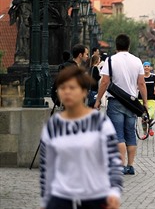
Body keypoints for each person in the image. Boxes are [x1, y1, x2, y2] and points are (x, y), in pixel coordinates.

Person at [40, 66, 123, 209]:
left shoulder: (100, 122)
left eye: (72, 88)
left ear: (84, 92)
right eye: (62, 88)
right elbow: (47, 167)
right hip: (60, 198)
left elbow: (113, 160)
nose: (66, 92)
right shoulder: (53, 125)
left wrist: (114, 192)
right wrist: (45, 200)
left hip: (95, 196)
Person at [94, 34, 148, 175]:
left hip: (115, 101)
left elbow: (105, 82)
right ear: (129, 46)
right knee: (130, 134)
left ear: (116, 46)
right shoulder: (137, 61)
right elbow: (141, 83)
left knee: (118, 135)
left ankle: (121, 165)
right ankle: (130, 166)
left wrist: (98, 99)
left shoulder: (110, 61)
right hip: (131, 103)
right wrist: (145, 104)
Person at [140, 62, 155, 138]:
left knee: (150, 114)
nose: (146, 68)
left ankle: (150, 128)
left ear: (150, 68)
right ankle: (145, 133)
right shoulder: (140, 77)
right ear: (142, 67)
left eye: (148, 66)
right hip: (141, 99)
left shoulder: (154, 76)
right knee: (143, 116)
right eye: (145, 66)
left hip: (151, 98)